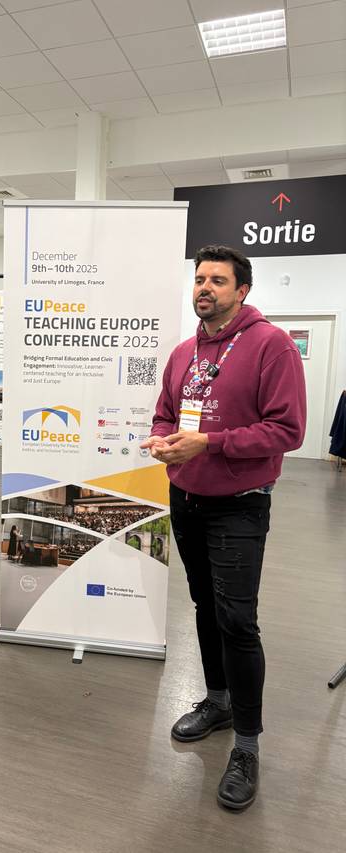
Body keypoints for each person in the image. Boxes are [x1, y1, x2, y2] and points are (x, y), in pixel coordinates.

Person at [141, 244, 306, 810]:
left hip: (240, 501)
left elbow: (287, 431)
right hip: (186, 496)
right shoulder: (185, 351)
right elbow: (166, 410)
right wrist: (166, 440)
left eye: (217, 280)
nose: (204, 287)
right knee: (205, 609)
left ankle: (248, 744)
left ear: (243, 290)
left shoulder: (271, 346)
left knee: (238, 620)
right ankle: (217, 700)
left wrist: (209, 441)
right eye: (199, 278)